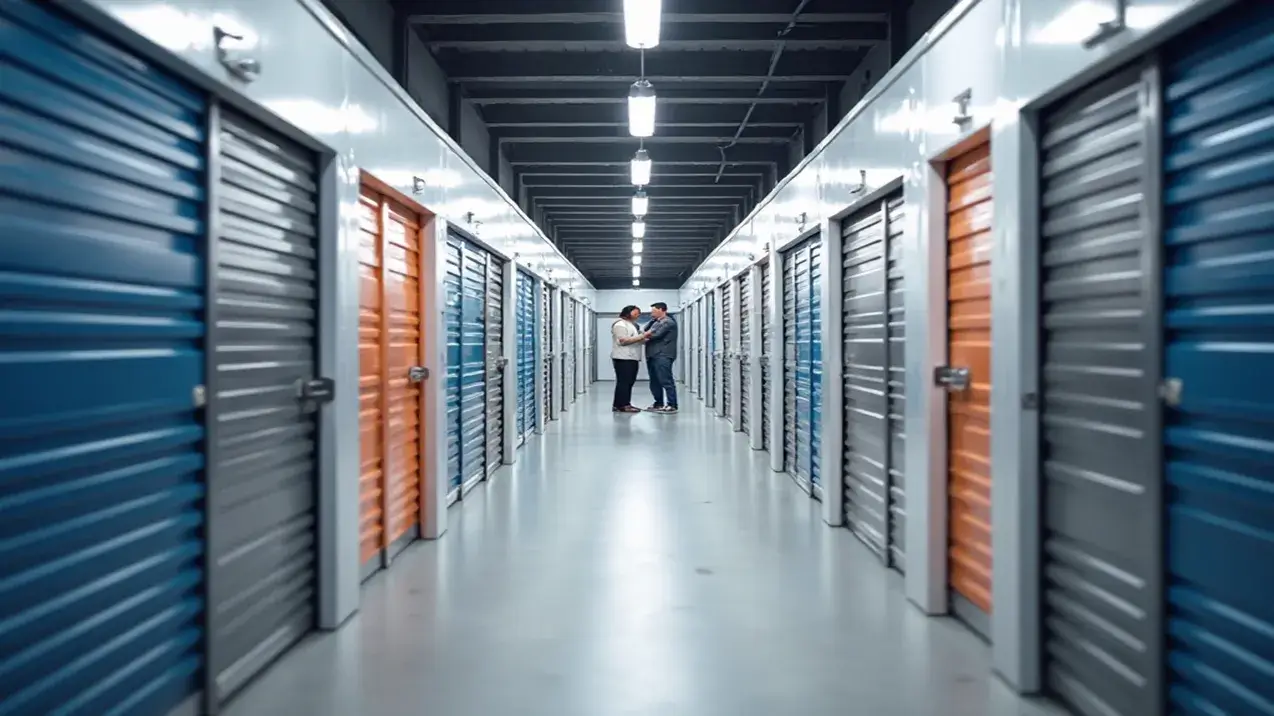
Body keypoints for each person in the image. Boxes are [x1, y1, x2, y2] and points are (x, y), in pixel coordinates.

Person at [643, 302, 679, 414]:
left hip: (663, 355)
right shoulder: (656, 322)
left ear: (662, 310)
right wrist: (652, 321)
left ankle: (672, 404)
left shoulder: (668, 322)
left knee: (666, 380)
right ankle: (658, 403)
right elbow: (646, 330)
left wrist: (646, 335)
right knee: (654, 381)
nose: (651, 313)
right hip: (652, 355)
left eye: (653, 311)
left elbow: (654, 335)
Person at [610, 305, 645, 413]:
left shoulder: (632, 325)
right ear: (627, 313)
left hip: (631, 357)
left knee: (628, 382)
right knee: (624, 382)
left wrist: (643, 339)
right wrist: (642, 336)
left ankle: (621, 404)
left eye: (638, 313)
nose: (637, 315)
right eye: (635, 313)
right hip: (623, 358)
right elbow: (623, 341)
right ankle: (623, 405)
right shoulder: (620, 325)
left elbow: (633, 339)